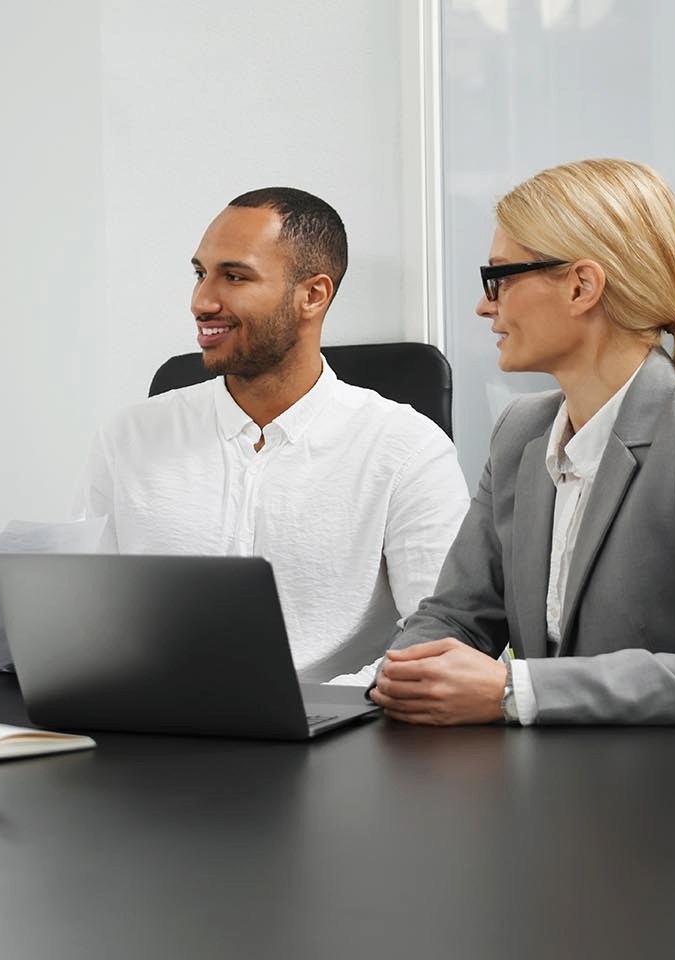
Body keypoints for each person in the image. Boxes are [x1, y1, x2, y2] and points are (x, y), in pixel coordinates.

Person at [372, 158, 675, 725]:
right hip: (547, 788)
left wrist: (514, 690)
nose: (485, 305)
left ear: (581, 286)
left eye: (501, 278)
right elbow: (459, 615)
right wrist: (408, 669)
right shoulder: (521, 433)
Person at [84, 188, 470, 681]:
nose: (201, 302)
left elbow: (442, 644)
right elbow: (87, 624)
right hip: (153, 732)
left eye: (235, 276)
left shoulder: (407, 450)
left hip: (338, 735)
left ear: (313, 295)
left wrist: (322, 709)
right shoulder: (127, 440)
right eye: (201, 274)